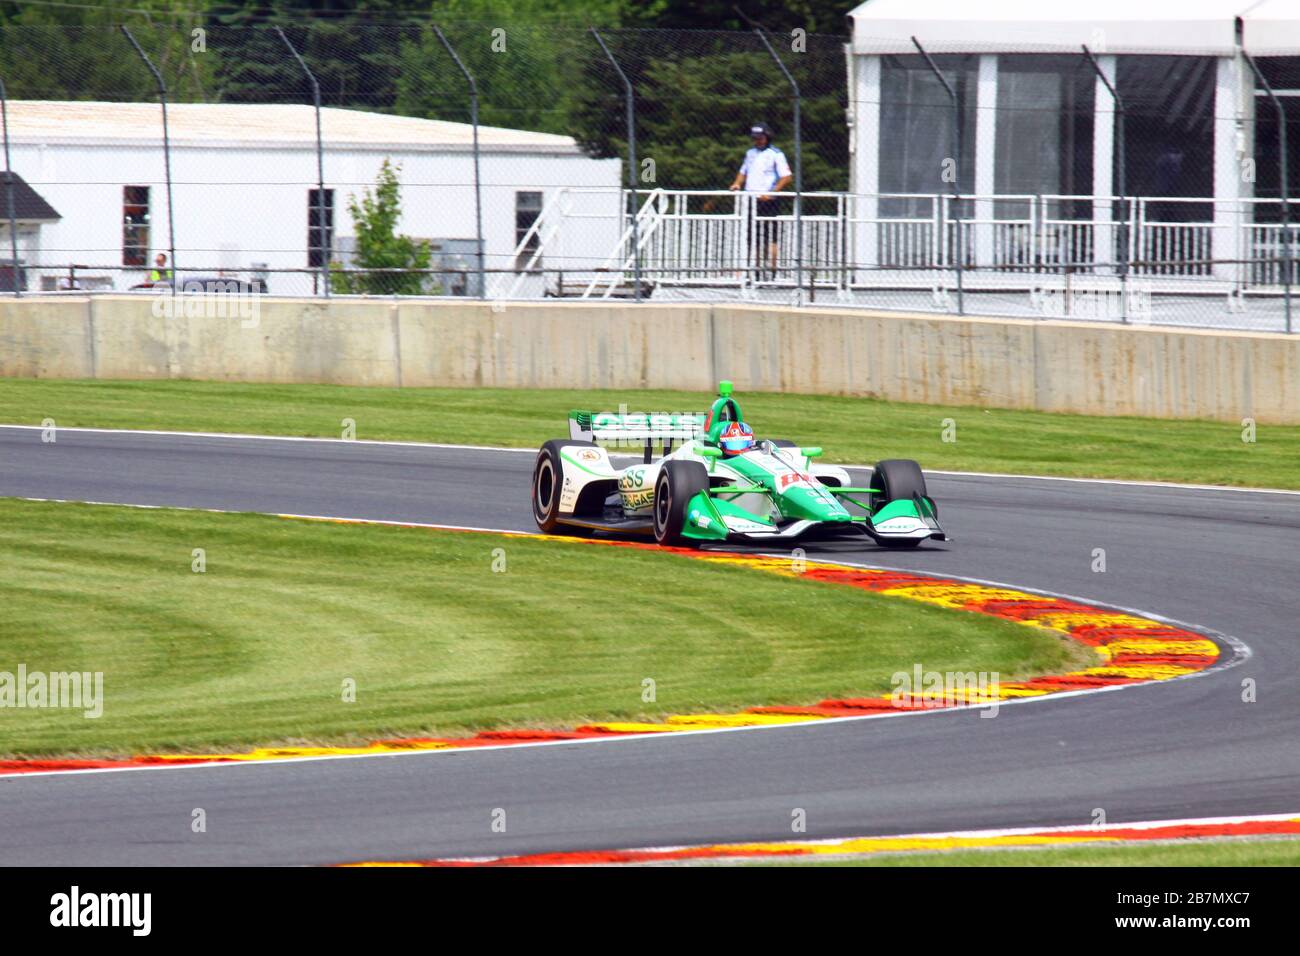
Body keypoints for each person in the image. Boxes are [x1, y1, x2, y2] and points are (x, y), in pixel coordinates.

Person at [729, 123, 792, 281]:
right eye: (755, 138)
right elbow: (743, 172)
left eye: (761, 138)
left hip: (768, 201)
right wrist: (737, 183)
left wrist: (771, 194)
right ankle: (756, 272)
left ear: (767, 137)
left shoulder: (776, 154)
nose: (758, 141)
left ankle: (772, 271)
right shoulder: (750, 153)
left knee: (771, 237)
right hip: (751, 200)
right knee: (753, 237)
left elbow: (786, 177)